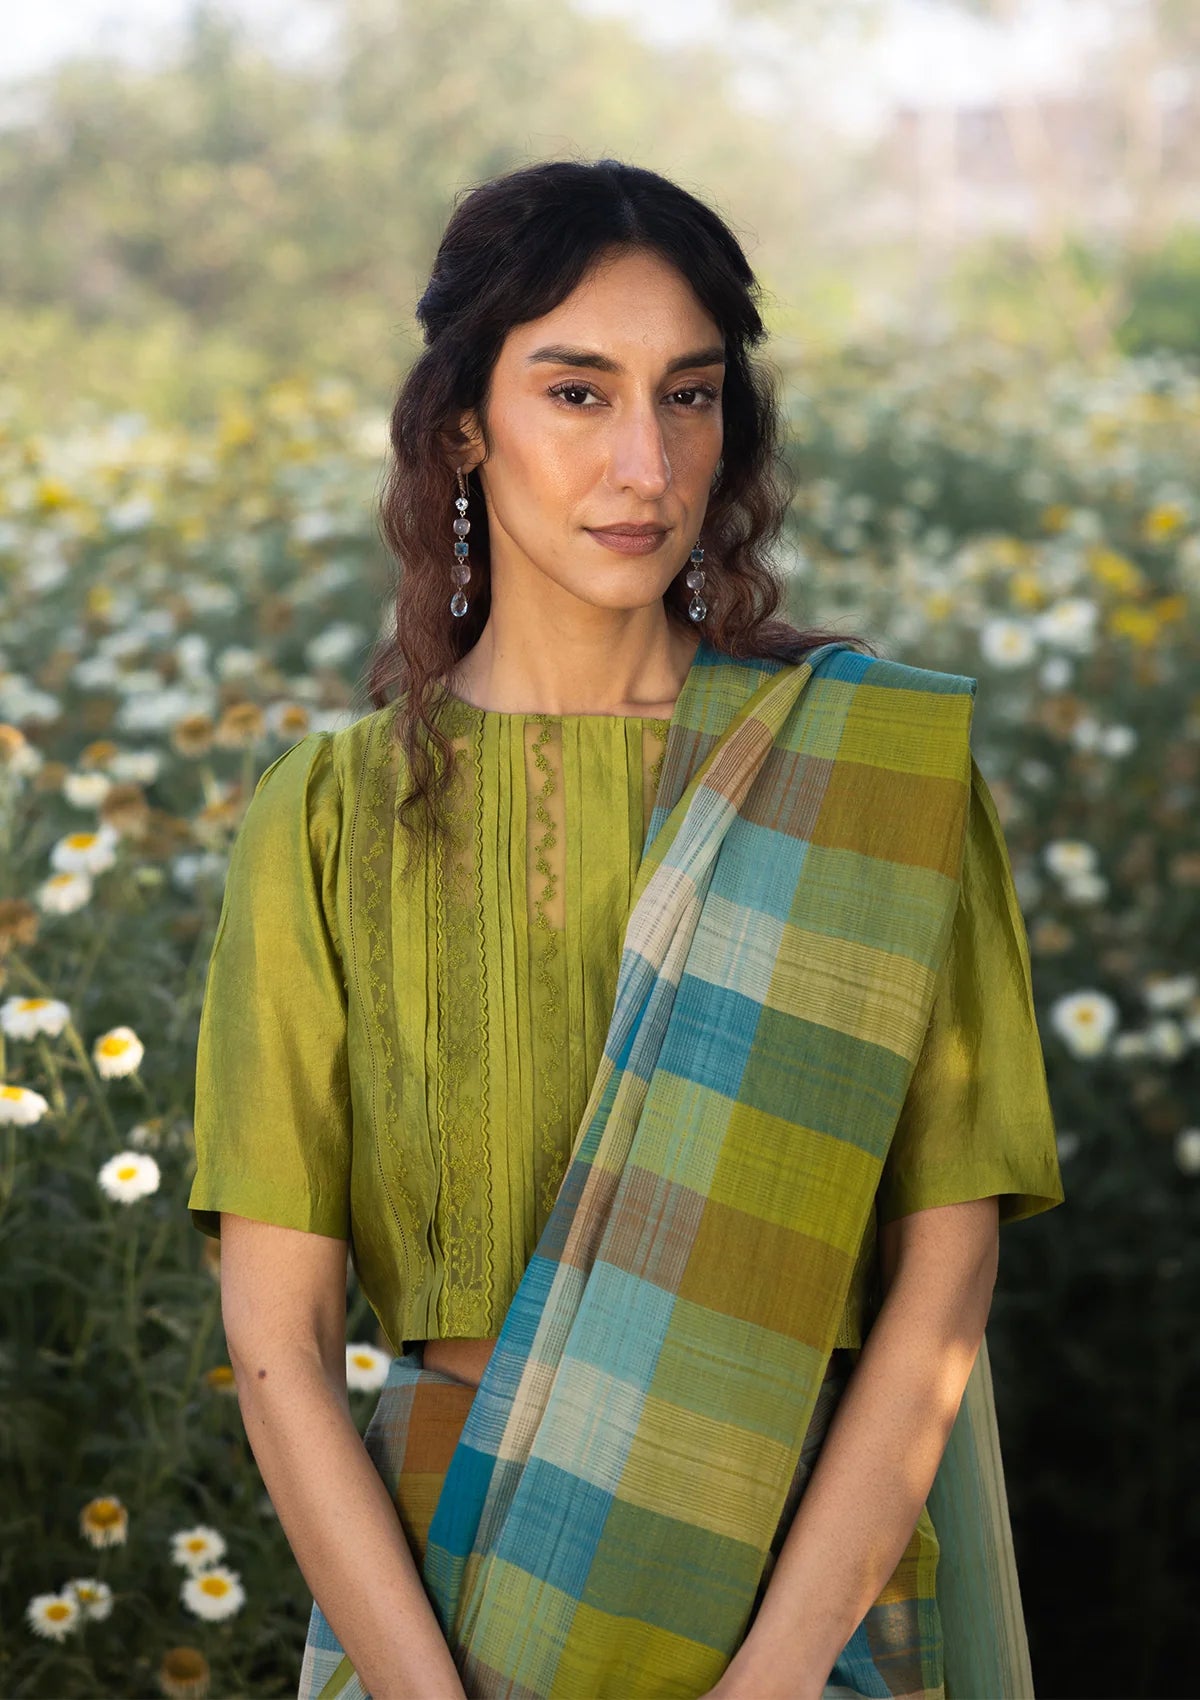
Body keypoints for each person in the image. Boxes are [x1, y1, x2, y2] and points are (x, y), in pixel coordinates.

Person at [187, 159, 1065, 1700]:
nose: (645, 465)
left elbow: (943, 1284)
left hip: (799, 1611)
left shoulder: (872, 785)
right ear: (464, 425)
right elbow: (281, 1343)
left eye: (690, 396)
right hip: (445, 1599)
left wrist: (771, 1678)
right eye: (578, 393)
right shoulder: (325, 823)